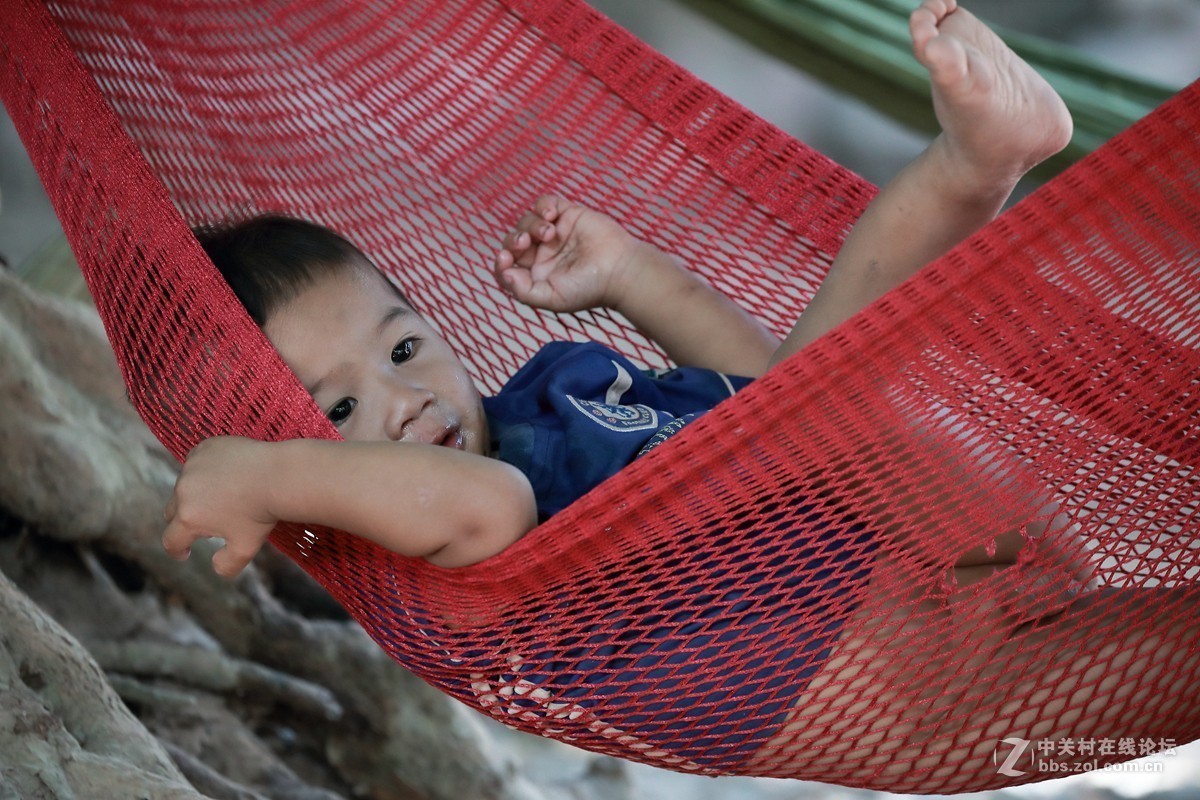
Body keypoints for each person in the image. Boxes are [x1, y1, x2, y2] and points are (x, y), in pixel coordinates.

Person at [160, 0, 1197, 782]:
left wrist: (633, 275)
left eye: (402, 346)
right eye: (339, 410)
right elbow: (481, 505)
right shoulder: (444, 557)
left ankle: (978, 163)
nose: (401, 399)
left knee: (841, 403)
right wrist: (267, 477)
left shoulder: (551, 399)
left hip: (954, 549)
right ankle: (968, 171)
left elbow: (760, 403)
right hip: (914, 693)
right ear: (300, 462)